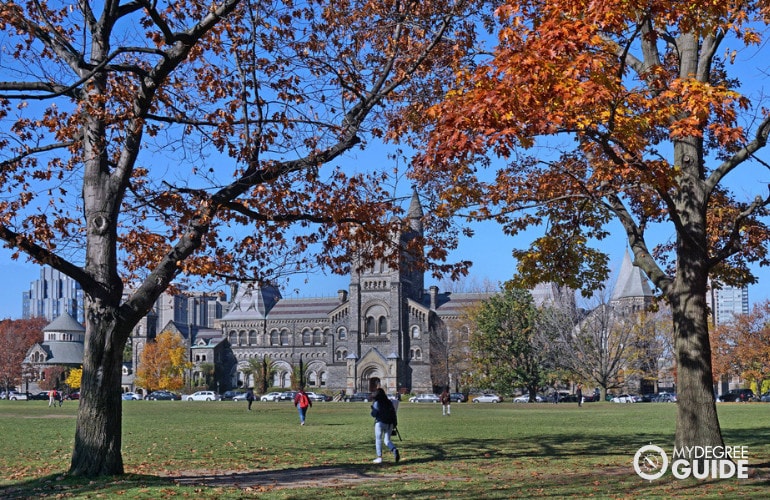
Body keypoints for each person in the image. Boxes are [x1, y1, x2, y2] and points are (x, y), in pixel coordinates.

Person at [370, 388, 400, 464]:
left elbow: (374, 414)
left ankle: (379, 457)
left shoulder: (377, 402)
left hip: (380, 423)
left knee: (378, 439)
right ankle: (394, 449)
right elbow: (393, 412)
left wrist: (372, 409)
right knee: (387, 440)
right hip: (390, 423)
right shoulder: (389, 402)